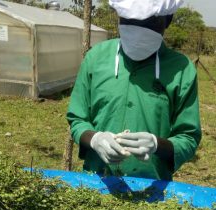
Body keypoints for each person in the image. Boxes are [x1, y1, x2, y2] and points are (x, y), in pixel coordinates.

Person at [67, 0, 201, 181]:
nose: (138, 30)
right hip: (96, 182)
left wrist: (156, 145)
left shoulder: (181, 69)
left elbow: (188, 136)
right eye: (129, 19)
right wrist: (95, 139)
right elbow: (77, 119)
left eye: (150, 21)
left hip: (151, 187)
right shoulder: (96, 58)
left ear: (168, 19)